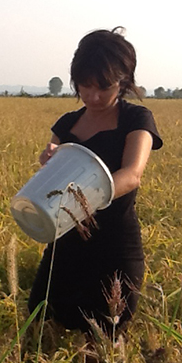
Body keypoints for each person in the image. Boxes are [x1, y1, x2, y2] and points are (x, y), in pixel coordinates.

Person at [27, 27, 163, 336]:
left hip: (114, 248)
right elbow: (52, 185)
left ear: (124, 81)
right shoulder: (67, 124)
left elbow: (131, 175)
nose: (94, 96)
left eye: (104, 86)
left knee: (103, 341)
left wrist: (82, 198)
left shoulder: (136, 120)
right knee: (40, 326)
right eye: (85, 86)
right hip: (65, 245)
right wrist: (48, 163)